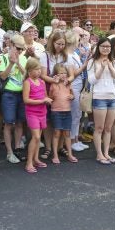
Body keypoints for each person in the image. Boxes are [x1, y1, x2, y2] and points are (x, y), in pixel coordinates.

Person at [39, 31, 74, 160]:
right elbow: (42, 75)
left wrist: (67, 80)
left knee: (62, 122)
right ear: (52, 42)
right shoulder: (45, 56)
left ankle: (60, 147)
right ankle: (49, 148)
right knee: (48, 120)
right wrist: (54, 80)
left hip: (63, 90)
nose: (60, 46)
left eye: (63, 44)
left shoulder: (67, 56)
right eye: (58, 44)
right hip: (49, 90)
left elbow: (71, 74)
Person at [87, 37, 115, 165]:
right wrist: (101, 68)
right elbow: (91, 81)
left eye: (108, 47)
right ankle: (99, 154)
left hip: (112, 97)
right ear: (99, 47)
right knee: (99, 127)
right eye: (103, 46)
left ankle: (106, 153)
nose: (106, 49)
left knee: (108, 128)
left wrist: (111, 68)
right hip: (99, 97)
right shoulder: (92, 61)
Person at [0, 34, 28, 164]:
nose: (19, 51)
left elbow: (27, 75)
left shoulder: (24, 59)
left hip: (21, 93)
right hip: (8, 93)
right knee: (9, 123)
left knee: (20, 122)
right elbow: (2, 77)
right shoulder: (2, 58)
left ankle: (17, 148)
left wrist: (18, 63)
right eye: (18, 48)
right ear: (11, 45)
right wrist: (11, 63)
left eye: (22, 49)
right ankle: (9, 152)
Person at [22, 58, 52, 173]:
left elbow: (45, 95)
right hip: (32, 113)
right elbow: (26, 100)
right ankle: (29, 163)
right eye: (36, 69)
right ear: (29, 71)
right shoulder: (27, 82)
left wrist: (48, 99)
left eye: (40, 69)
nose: (39, 71)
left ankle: (35, 159)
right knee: (36, 137)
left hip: (42, 112)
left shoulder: (42, 82)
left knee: (38, 138)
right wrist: (42, 101)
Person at [49, 64, 78, 164]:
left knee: (67, 133)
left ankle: (70, 154)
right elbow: (50, 97)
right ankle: (55, 155)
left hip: (67, 111)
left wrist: (72, 96)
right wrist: (54, 86)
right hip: (56, 111)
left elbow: (72, 95)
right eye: (61, 73)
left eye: (65, 73)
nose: (63, 75)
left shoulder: (68, 84)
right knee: (57, 133)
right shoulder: (53, 84)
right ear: (56, 74)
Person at [65, 30, 89, 152]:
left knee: (77, 115)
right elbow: (74, 73)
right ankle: (71, 141)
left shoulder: (73, 54)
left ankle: (75, 139)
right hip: (73, 87)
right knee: (74, 115)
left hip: (78, 86)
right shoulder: (68, 56)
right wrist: (85, 64)